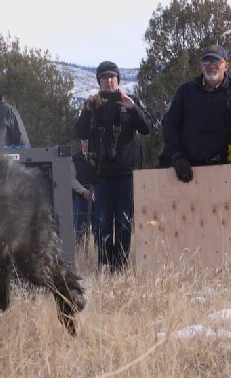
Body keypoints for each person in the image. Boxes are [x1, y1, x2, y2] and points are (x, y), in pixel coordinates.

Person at [76, 60, 153, 272]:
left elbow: (148, 127)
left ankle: (120, 266)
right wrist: (86, 110)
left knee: (124, 221)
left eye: (112, 77)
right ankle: (103, 264)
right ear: (99, 81)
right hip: (101, 174)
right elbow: (80, 132)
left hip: (126, 173)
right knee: (101, 221)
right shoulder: (93, 104)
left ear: (118, 80)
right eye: (104, 78)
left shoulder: (131, 101)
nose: (108, 82)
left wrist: (133, 108)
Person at [161, 44, 231, 183]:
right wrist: (177, 158)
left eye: (216, 61)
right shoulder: (185, 92)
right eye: (206, 61)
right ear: (201, 66)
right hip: (186, 172)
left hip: (223, 174)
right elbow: (170, 126)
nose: (211, 66)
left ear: (226, 65)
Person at [71, 139, 97, 247]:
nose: (87, 144)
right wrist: (83, 191)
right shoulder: (74, 158)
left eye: (88, 141)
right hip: (80, 198)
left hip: (96, 198)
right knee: (79, 231)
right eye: (85, 141)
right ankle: (80, 256)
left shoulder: (97, 157)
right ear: (81, 141)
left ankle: (98, 255)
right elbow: (71, 178)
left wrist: (94, 193)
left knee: (98, 229)